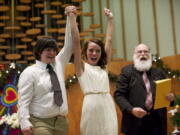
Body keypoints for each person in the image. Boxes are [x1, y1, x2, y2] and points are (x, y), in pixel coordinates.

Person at [17, 6, 77, 135]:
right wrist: (24, 122)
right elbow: (23, 100)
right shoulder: (29, 72)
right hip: (39, 121)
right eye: (48, 50)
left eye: (54, 50)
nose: (52, 53)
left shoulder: (58, 63)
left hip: (61, 121)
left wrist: (70, 17)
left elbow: (70, 44)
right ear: (39, 51)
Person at [71, 7, 118, 135]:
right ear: (85, 52)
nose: (94, 53)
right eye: (91, 50)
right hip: (90, 106)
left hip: (108, 105)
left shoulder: (104, 67)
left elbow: (108, 40)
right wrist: (72, 19)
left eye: (97, 50)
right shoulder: (81, 68)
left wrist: (110, 19)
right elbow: (75, 42)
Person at [114, 43, 174, 135]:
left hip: (157, 123)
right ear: (134, 55)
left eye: (145, 51)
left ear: (149, 55)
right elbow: (119, 95)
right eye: (139, 52)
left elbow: (166, 96)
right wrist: (131, 109)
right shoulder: (126, 71)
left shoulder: (159, 73)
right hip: (134, 123)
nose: (143, 54)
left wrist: (170, 98)